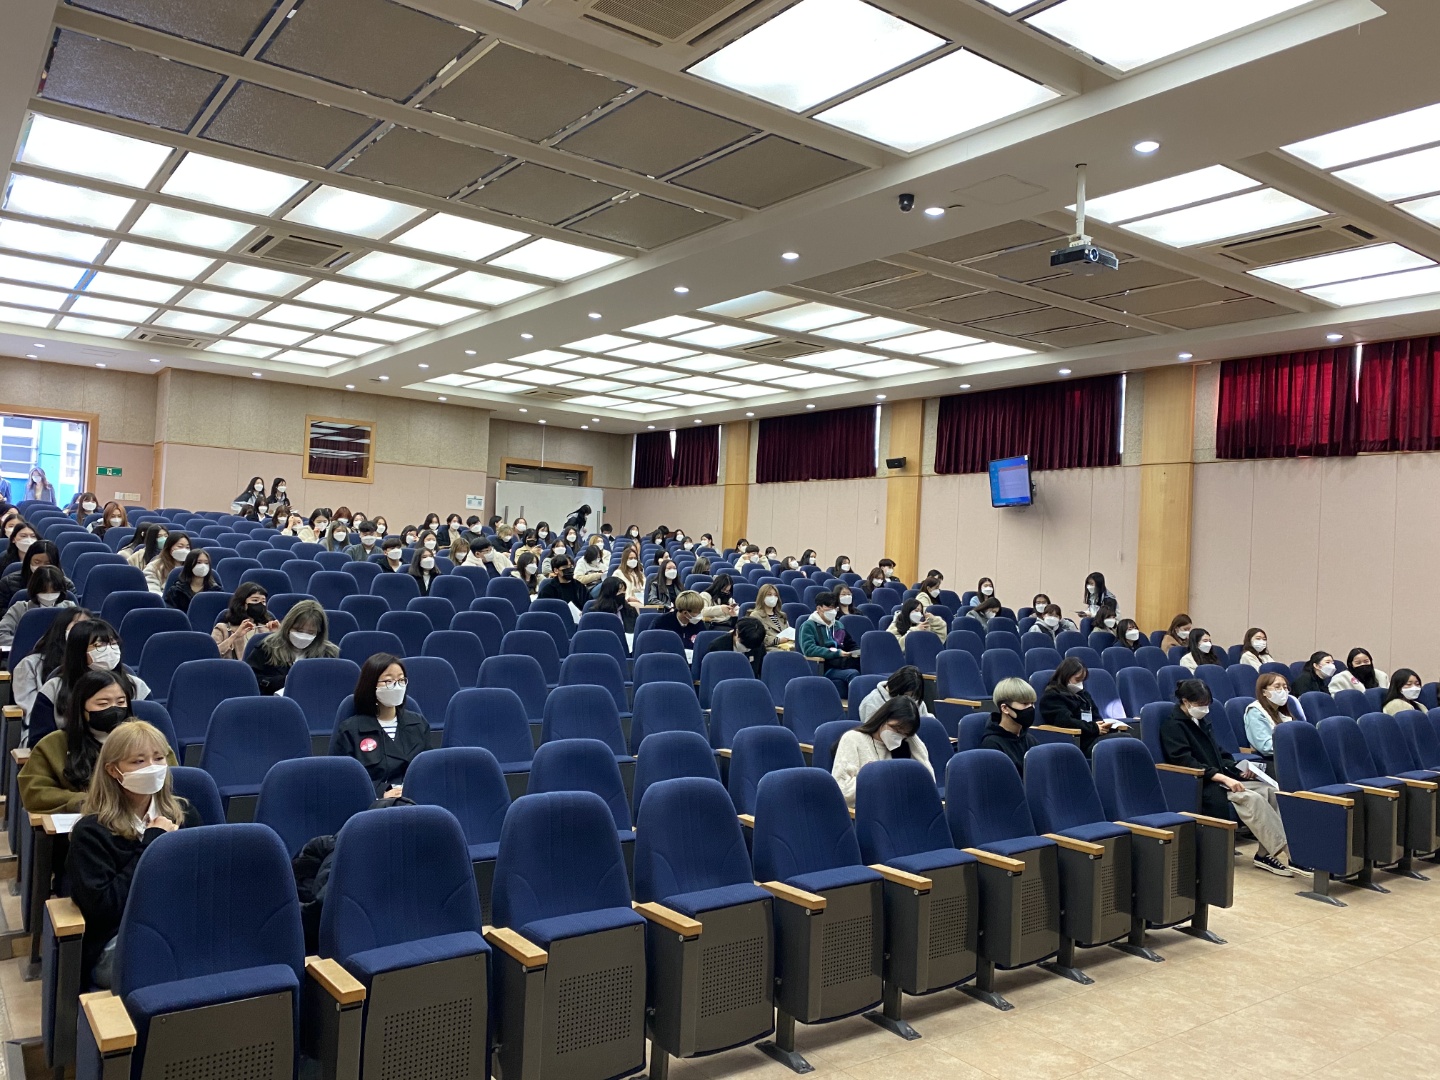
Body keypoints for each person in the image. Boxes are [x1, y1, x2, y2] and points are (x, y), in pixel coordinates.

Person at [68, 719, 196, 987]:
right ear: (113, 770)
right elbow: (104, 909)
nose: (152, 767)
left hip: (179, 927)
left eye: (158, 758)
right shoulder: (91, 832)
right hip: (119, 939)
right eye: (138, 761)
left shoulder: (184, 815)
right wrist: (153, 843)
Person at [1161, 679, 1296, 876]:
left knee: (1272, 792)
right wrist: (1223, 778)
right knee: (1253, 798)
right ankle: (1292, 854)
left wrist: (1239, 770)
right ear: (1186, 702)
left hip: (1222, 778)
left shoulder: (1201, 722)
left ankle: (1264, 854)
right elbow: (1185, 762)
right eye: (1200, 704)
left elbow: (1220, 754)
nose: (1204, 708)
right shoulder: (1173, 726)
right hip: (1203, 785)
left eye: (1207, 704)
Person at [21, 669, 172, 815]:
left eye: (121, 702)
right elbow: (34, 792)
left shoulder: (148, 740)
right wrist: (85, 801)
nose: (114, 709)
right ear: (82, 707)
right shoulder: (52, 744)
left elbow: (173, 781)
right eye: (103, 704)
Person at [331, 654, 428, 797]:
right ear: (371, 685)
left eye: (401, 680)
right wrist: (381, 792)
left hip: (416, 799)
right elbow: (343, 778)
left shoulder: (418, 723)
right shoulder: (350, 730)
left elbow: (428, 770)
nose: (397, 686)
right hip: (374, 803)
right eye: (388, 681)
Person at [830, 696, 930, 807]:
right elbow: (843, 791)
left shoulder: (903, 745)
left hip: (897, 808)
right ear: (883, 718)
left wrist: (912, 738)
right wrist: (879, 779)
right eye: (896, 729)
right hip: (868, 809)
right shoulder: (853, 739)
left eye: (904, 733)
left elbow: (928, 783)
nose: (898, 735)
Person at [14, 609, 90, 744]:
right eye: (78, 625)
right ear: (62, 629)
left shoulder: (95, 666)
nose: (83, 631)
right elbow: (33, 714)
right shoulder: (30, 664)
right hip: (44, 734)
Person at [1037, 658, 1128, 757]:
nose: (1080, 684)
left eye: (1082, 680)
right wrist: (1093, 728)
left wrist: (1101, 726)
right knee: (1122, 741)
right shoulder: (1052, 697)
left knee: (1126, 740)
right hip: (1077, 743)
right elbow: (1066, 721)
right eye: (1077, 680)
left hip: (1093, 737)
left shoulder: (1083, 695)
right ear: (1066, 676)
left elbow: (1097, 717)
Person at [247, 600, 338, 694]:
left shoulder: (329, 654)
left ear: (319, 633)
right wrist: (283, 681)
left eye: (311, 633)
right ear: (288, 626)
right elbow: (251, 679)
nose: (303, 636)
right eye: (299, 630)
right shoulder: (267, 647)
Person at [798, 591, 858, 693]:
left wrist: (857, 652)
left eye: (835, 608)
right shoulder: (808, 626)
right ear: (818, 608)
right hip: (825, 666)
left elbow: (849, 643)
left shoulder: (838, 625)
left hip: (841, 663)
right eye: (829, 607)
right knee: (853, 674)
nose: (833, 611)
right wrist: (837, 653)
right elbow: (809, 649)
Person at [0, 564, 73, 648]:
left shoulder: (70, 608)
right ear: (34, 590)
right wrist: (28, 644)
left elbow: (81, 635)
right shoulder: (19, 608)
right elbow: (1, 634)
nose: (49, 595)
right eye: (44, 591)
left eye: (54, 592)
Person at [980, 678, 1038, 775]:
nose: (1030, 708)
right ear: (1005, 708)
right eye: (1024, 703)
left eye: (1032, 703)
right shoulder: (992, 745)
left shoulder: (1030, 740)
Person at [212, 581, 280, 660]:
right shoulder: (222, 629)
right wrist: (235, 636)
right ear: (242, 603)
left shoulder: (267, 629)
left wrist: (278, 635)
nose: (260, 605)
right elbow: (212, 655)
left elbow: (282, 657)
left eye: (263, 601)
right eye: (255, 600)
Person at [1243, 673, 1299, 763]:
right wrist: (1294, 746)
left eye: (1285, 687)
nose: (1283, 691)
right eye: (1277, 687)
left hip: (1288, 757)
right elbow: (1265, 746)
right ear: (1264, 692)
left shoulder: (1281, 712)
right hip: (1270, 761)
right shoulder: (1255, 711)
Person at [0, 539, 68, 611]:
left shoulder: (66, 584)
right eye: (37, 562)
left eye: (48, 563)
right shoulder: (8, 583)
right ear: (28, 561)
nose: (41, 567)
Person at [856, 666, 932, 724]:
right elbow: (871, 733)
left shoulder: (915, 699)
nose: (911, 699)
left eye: (913, 696)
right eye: (907, 695)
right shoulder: (872, 702)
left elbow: (925, 724)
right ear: (897, 689)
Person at [163, 547, 219, 613]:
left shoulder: (216, 590)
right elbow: (171, 614)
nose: (203, 566)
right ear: (189, 564)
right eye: (199, 562)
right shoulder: (176, 591)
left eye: (206, 563)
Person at [752, 583, 791, 649]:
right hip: (770, 648)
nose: (773, 597)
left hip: (787, 646)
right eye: (769, 595)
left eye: (775, 595)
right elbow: (758, 638)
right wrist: (778, 640)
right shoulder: (755, 615)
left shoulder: (782, 615)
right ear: (762, 597)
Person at [613, 544, 646, 610]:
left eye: (635, 558)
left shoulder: (641, 574)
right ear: (625, 560)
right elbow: (615, 592)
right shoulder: (618, 573)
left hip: (641, 603)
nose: (633, 560)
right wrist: (628, 598)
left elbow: (645, 589)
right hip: (625, 604)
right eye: (630, 558)